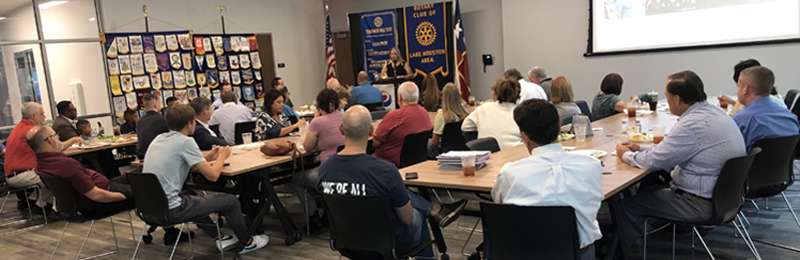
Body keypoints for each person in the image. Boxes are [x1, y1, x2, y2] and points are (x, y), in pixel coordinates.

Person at [614, 71, 746, 257]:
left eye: (667, 98)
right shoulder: (714, 112)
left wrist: (626, 154)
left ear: (676, 99)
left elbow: (654, 161)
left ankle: (624, 254)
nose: (666, 101)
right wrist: (640, 149)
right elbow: (672, 150)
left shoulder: (692, 125)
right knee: (651, 184)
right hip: (727, 199)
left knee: (628, 206)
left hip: (700, 203)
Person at [317, 105, 467, 258]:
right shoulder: (385, 170)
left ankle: (432, 209)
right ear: (371, 131)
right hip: (390, 243)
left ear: (341, 129)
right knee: (417, 214)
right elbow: (407, 218)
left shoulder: (324, 169)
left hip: (347, 242)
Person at [144, 104, 269, 254]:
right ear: (189, 124)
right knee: (231, 201)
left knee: (190, 195)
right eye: (194, 122)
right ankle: (246, 242)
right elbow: (213, 176)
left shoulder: (160, 139)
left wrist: (206, 157)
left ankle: (220, 238)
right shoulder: (186, 141)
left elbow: (177, 160)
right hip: (171, 210)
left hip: (148, 209)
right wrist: (222, 157)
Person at [491, 99, 602, 260]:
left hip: (526, 254)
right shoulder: (592, 166)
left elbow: (500, 204)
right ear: (559, 126)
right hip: (578, 254)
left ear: (523, 136)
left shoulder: (510, 174)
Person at [5, 102, 82, 209]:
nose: (45, 117)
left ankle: (43, 205)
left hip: (16, 173)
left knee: (52, 172)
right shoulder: (32, 132)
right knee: (57, 176)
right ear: (33, 116)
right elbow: (57, 148)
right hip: (21, 175)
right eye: (42, 114)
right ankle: (62, 208)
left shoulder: (20, 128)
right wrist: (73, 140)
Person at [295, 89, 346, 234]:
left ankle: (313, 218)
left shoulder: (318, 122)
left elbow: (307, 146)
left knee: (298, 179)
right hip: (348, 169)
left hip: (328, 171)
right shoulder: (347, 117)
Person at [731, 66, 799, 152]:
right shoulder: (790, 117)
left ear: (745, 89)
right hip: (786, 165)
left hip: (753, 165)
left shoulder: (740, 120)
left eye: (739, 87)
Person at [373, 82, 433, 168]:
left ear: (399, 98)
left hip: (388, 163)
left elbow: (375, 142)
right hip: (417, 162)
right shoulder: (425, 113)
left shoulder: (394, 116)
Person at [462, 79, 523, 150]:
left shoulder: (483, 108)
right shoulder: (522, 113)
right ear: (517, 95)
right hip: (516, 155)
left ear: (494, 93)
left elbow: (465, 127)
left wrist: (482, 126)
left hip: (486, 157)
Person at [718, 59, 787, 115]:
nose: (737, 91)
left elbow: (731, 120)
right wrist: (733, 102)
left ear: (746, 88)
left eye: (739, 86)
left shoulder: (744, 114)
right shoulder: (776, 101)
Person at [431, 83, 470, 152]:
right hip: (463, 149)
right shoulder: (465, 114)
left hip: (445, 151)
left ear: (443, 97)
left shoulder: (441, 116)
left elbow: (434, 142)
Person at [136, 93, 169, 159]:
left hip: (142, 154)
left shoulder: (139, 121)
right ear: (155, 105)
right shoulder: (163, 119)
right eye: (159, 103)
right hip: (157, 154)